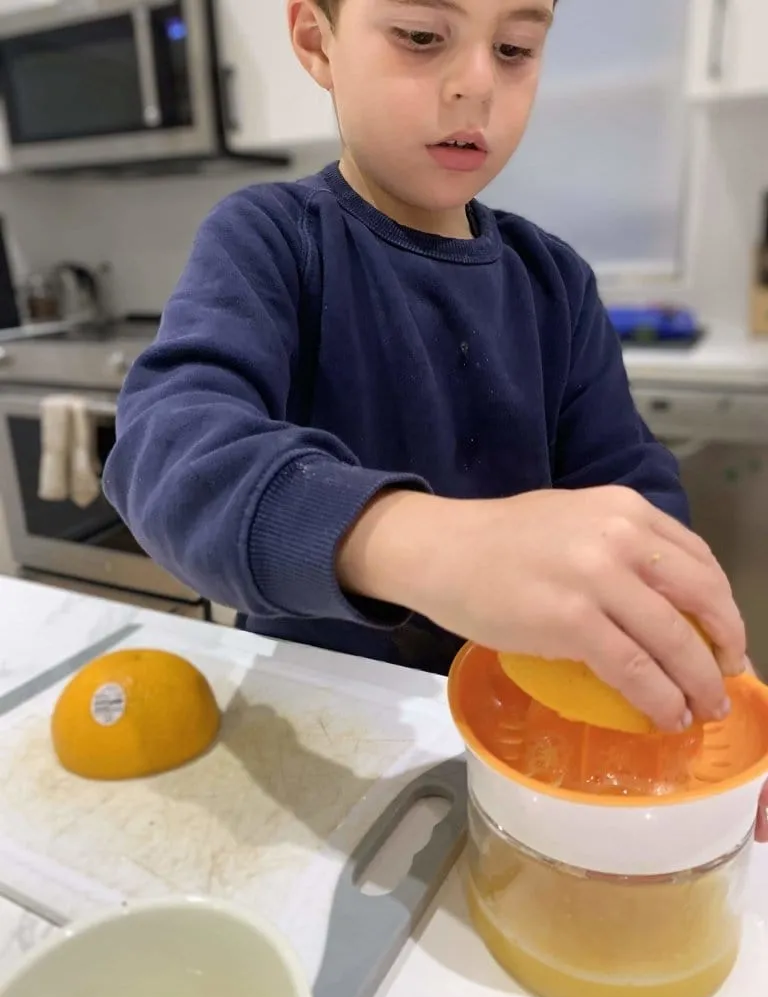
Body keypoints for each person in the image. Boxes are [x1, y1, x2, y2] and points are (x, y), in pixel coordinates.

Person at [104, 0, 748, 740]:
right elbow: (172, 449)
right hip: (321, 725)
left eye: (513, 49)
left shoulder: (557, 283)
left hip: (533, 730)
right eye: (420, 37)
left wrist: (696, 652)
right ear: (318, 42)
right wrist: (426, 546)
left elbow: (630, 489)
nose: (476, 84)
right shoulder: (270, 240)